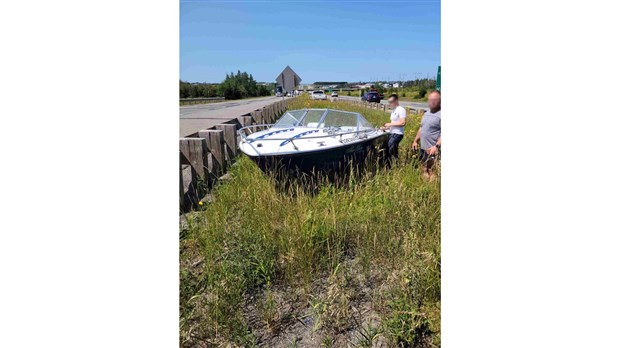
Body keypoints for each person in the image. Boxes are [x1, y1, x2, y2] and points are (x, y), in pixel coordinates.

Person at [412, 90, 441, 180]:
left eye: (434, 99)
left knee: (432, 171)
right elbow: (421, 128)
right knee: (424, 169)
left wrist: (436, 147)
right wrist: (415, 141)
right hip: (423, 148)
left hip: (433, 149)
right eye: (430, 99)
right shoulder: (426, 114)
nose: (432, 102)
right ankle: (424, 189)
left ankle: (432, 191)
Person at [382, 94, 407, 163]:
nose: (389, 104)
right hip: (392, 133)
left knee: (392, 151)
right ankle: (389, 165)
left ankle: (394, 165)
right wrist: (386, 128)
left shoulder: (401, 110)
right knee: (388, 149)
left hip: (398, 134)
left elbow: (402, 123)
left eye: (391, 102)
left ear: (396, 101)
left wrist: (390, 124)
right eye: (388, 102)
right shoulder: (393, 111)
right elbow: (394, 123)